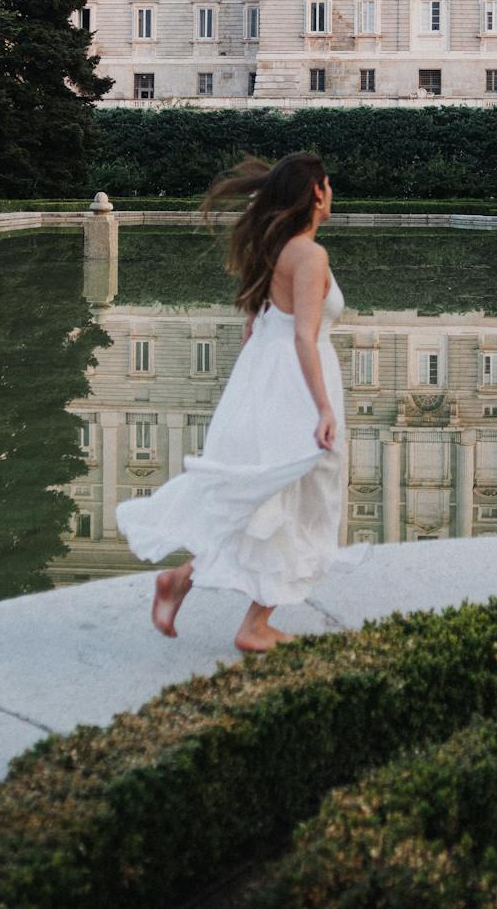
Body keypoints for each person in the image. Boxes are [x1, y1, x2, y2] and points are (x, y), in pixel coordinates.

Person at [115, 151, 369, 652]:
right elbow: (304, 337)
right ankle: (252, 623)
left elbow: (257, 324)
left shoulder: (276, 249)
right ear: (316, 193)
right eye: (329, 185)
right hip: (296, 382)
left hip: (267, 379)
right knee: (298, 496)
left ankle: (185, 581)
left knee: (265, 494)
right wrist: (322, 408)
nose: (333, 193)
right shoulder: (310, 255)